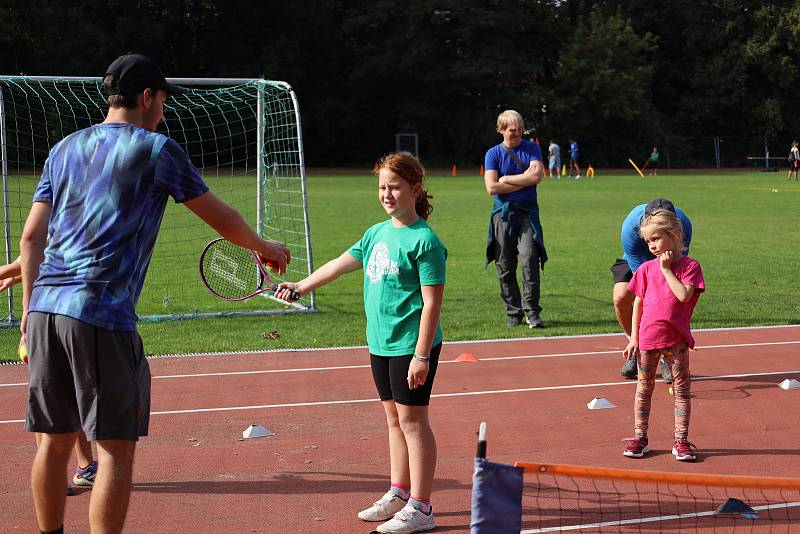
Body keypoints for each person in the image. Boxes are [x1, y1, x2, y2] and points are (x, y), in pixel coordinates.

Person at [20, 53, 291, 534]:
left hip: (44, 308)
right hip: (99, 314)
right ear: (147, 97)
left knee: (53, 443)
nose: (163, 110)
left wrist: (26, 313)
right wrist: (265, 246)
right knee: (114, 449)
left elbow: (30, 239)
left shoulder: (63, 148)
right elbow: (221, 218)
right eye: (162, 100)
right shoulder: (155, 149)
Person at [276, 152, 445, 534]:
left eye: (395, 187)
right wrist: (301, 286)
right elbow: (340, 263)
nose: (387, 194)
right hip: (380, 342)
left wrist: (421, 355)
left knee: (413, 422)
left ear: (415, 190)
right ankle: (399, 492)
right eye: (382, 187)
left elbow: (432, 302)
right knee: (393, 419)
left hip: (411, 346)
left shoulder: (425, 242)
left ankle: (422, 507)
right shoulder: (375, 233)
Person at [1, 257, 99, 494]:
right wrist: (12, 273)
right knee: (50, 400)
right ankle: (54, 477)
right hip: (46, 320)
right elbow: (30, 255)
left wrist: (14, 276)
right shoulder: (53, 227)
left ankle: (85, 467)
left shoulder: (68, 229)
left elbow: (43, 264)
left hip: (65, 317)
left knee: (70, 396)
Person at [621, 208, 705, 461]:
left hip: (676, 341)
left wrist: (667, 269)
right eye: (647, 241)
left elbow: (683, 295)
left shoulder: (690, 266)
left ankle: (681, 441)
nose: (651, 246)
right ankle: (640, 438)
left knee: (681, 391)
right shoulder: (645, 269)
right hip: (647, 340)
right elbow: (638, 303)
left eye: (656, 239)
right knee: (643, 389)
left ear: (674, 235)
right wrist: (634, 337)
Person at [612, 199, 692, 382]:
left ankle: (665, 352)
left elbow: (680, 265)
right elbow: (644, 287)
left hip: (670, 257)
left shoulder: (684, 225)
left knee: (669, 301)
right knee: (621, 298)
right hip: (638, 257)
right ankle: (635, 346)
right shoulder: (631, 229)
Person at [483, 110, 547, 329]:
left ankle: (532, 312)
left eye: (520, 129)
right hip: (502, 215)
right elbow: (491, 187)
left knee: (530, 259)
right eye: (512, 130)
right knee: (505, 266)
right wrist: (525, 179)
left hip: (528, 214)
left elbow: (537, 176)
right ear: (501, 130)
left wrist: (507, 179)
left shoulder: (532, 148)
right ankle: (514, 312)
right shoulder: (493, 154)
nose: (517, 133)